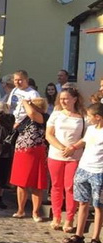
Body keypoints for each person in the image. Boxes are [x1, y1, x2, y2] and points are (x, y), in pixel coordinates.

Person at [45, 87, 86, 232]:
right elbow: (49, 134)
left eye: (66, 98)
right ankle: (56, 216)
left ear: (74, 99)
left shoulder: (82, 116)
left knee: (70, 187)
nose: (63, 101)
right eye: (61, 98)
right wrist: (62, 148)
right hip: (56, 155)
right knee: (56, 186)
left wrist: (73, 148)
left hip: (74, 156)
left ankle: (69, 218)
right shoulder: (56, 115)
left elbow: (86, 137)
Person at [63, 103, 103, 243]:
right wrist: (73, 147)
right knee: (82, 202)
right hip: (84, 168)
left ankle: (96, 238)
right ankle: (79, 234)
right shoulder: (91, 129)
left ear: (97, 117)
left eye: (90, 116)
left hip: (99, 171)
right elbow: (84, 141)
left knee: (99, 205)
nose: (88, 118)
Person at [9, 97, 49, 221]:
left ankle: (35, 212)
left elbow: (32, 113)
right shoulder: (26, 118)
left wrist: (25, 101)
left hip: (36, 153)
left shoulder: (43, 117)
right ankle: (20, 210)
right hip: (22, 153)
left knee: (36, 184)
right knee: (21, 183)